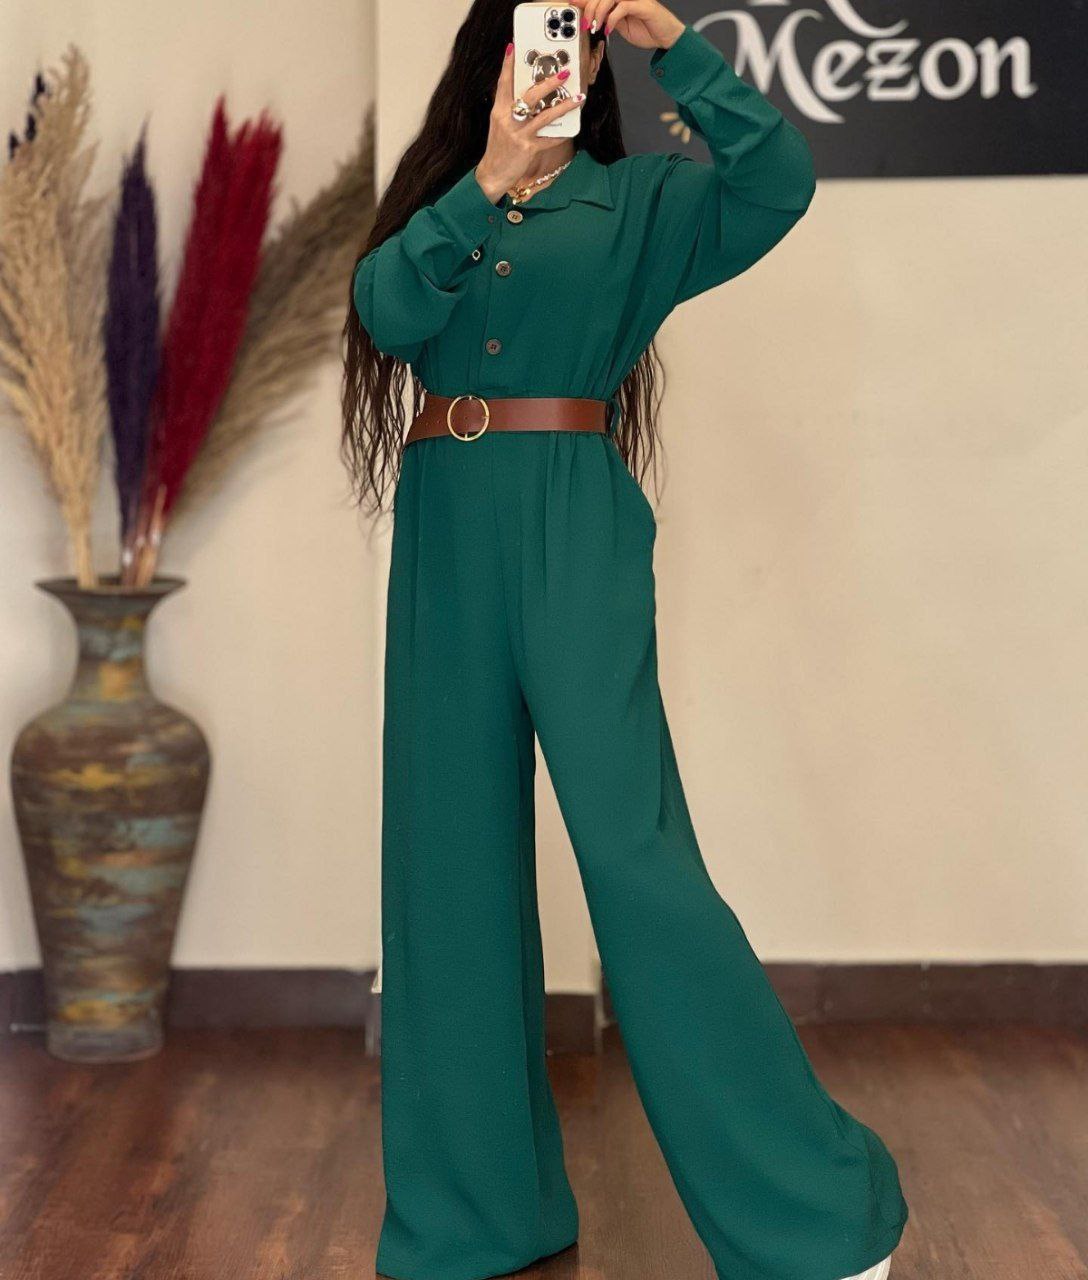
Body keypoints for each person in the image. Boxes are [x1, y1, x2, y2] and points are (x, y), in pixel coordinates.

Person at [343, 1, 909, 1277]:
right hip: (443, 526)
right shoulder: (446, 200)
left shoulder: (641, 204)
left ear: (596, 60)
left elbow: (776, 178)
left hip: (572, 516)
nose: (556, 57)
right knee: (443, 866)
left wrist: (673, 46)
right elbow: (385, 313)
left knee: (632, 852)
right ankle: (475, 1216)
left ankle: (814, 1214)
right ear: (492, 58)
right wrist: (493, 171)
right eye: (532, 35)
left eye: (578, 36)